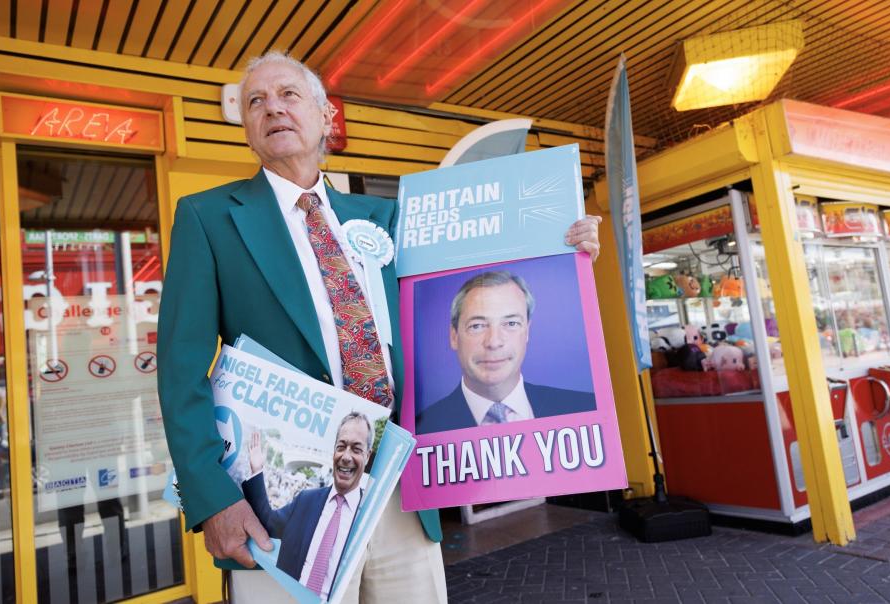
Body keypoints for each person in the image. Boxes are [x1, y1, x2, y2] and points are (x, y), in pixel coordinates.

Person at [157, 49, 601, 603]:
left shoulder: (384, 217)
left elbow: (476, 274)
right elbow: (180, 372)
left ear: (326, 117)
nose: (273, 108)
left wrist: (561, 250)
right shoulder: (208, 218)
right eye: (256, 102)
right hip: (282, 502)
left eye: (289, 95)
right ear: (247, 129)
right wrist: (214, 499)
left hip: (400, 486)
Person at [416, 271, 597, 435]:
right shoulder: (420, 430)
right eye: (477, 326)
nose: (494, 342)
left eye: (511, 324)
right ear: (454, 336)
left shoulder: (586, 408)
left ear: (527, 331)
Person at [242, 413, 372, 599]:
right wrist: (257, 471)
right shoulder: (305, 500)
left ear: (367, 456)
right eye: (341, 447)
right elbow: (268, 522)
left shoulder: (369, 514)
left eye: (356, 449)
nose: (346, 456)